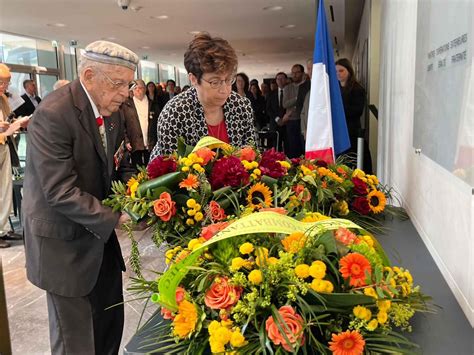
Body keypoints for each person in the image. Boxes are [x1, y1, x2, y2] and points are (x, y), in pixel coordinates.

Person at [23, 40, 139, 354]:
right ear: (89, 76)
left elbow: (119, 162)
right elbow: (60, 191)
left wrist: (134, 190)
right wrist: (117, 216)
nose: (126, 93)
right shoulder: (54, 113)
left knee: (107, 332)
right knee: (76, 344)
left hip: (100, 247)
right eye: (119, 84)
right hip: (64, 248)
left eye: (129, 84)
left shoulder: (112, 110)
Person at [149, 32, 258, 157]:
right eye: (214, 82)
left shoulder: (241, 106)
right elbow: (171, 167)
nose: (225, 90)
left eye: (229, 80)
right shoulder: (175, 112)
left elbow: (251, 155)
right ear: (194, 79)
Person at [335, 58, 372, 173]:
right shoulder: (336, 89)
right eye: (336, 71)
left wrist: (338, 110)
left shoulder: (357, 89)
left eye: (341, 71)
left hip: (351, 131)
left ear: (349, 71)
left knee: (352, 161)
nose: (338, 74)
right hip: (339, 132)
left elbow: (357, 110)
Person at [121, 79, 161, 169]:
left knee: (152, 168)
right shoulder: (126, 106)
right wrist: (126, 140)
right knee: (136, 169)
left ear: (145, 89)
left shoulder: (154, 105)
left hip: (151, 142)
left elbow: (159, 123)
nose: (138, 90)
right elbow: (122, 125)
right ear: (132, 90)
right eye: (135, 88)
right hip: (134, 142)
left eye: (140, 88)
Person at [266, 72, 287, 151]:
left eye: (282, 78)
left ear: (286, 80)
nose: (280, 81)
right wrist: (277, 119)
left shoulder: (290, 91)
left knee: (288, 146)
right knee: (275, 146)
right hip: (275, 124)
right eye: (278, 79)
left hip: (287, 123)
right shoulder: (271, 94)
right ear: (276, 81)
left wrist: (285, 119)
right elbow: (268, 109)